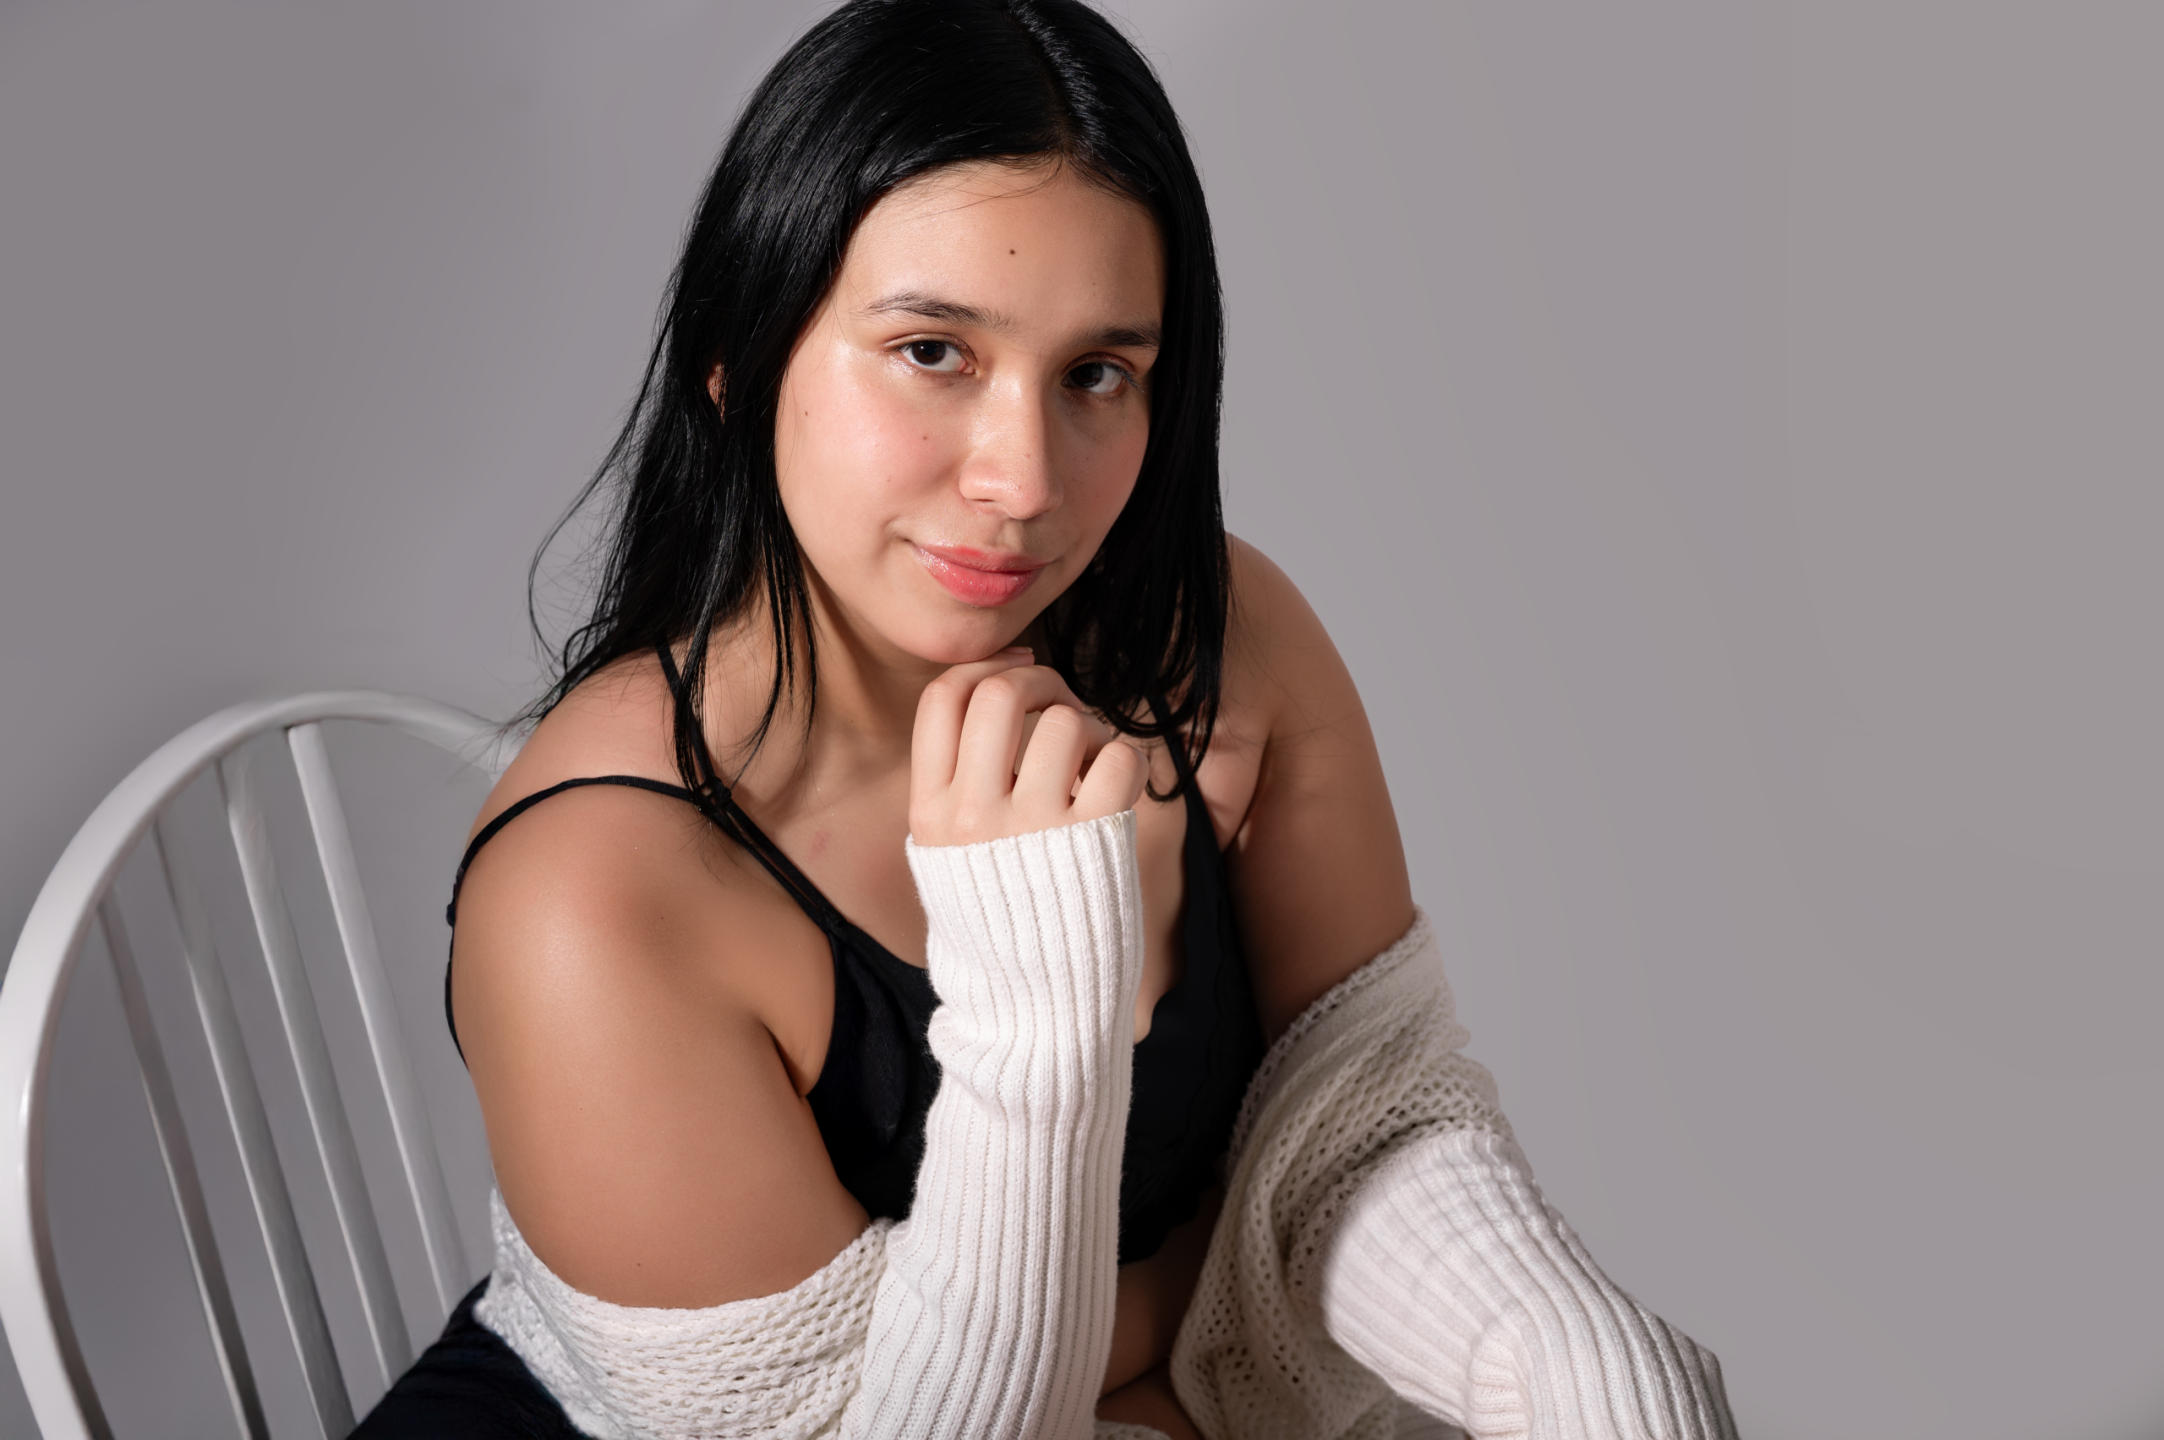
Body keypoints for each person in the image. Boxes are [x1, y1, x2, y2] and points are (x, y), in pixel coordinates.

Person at [355, 2, 1736, 1437]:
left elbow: (1358, 1126)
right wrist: (1045, 1000)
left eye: (1096, 375)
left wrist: (1565, 1353)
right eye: (931, 352)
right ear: (738, 361)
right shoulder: (591, 896)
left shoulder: (1219, 640)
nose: (1023, 481)